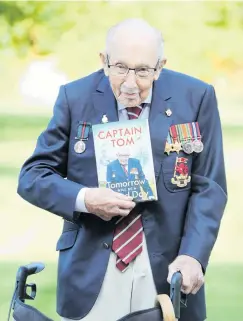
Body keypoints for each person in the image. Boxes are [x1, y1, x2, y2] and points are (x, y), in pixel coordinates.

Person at [17, 18, 227, 321]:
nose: (130, 83)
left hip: (166, 273)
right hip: (91, 273)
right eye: (120, 68)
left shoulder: (196, 97)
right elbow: (32, 176)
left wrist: (193, 255)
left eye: (143, 70)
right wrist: (85, 198)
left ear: (160, 66)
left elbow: (209, 186)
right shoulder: (74, 97)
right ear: (103, 60)